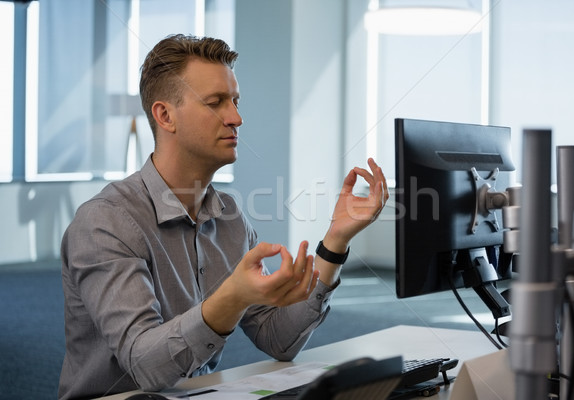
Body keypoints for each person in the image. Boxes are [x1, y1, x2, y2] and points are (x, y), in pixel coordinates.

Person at [58, 34, 388, 400]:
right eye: (216, 103)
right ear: (165, 115)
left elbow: (278, 340)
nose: (236, 117)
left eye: (235, 101)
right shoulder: (105, 222)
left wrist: (336, 241)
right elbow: (145, 366)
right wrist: (231, 298)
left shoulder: (228, 216)